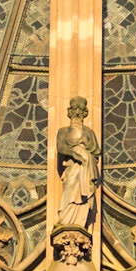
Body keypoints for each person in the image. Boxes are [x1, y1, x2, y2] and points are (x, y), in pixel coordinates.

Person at [55, 98, 100, 232]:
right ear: (70, 113)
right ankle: (66, 219)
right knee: (70, 188)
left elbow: (96, 150)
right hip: (72, 166)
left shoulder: (89, 132)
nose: (77, 114)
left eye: (80, 111)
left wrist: (86, 144)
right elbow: (60, 148)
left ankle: (80, 219)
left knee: (83, 193)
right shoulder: (63, 131)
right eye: (74, 111)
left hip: (86, 167)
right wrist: (74, 154)